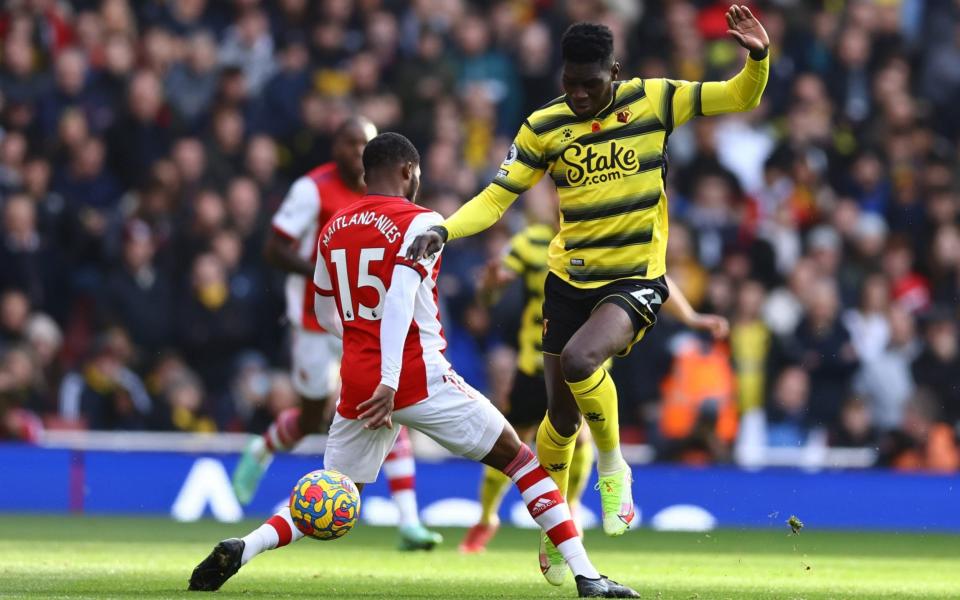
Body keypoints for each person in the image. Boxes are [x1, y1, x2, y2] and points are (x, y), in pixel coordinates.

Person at [189, 133, 639, 598]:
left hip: (359, 380)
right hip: (415, 374)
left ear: (366, 173)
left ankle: (245, 547)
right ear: (409, 172)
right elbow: (401, 296)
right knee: (521, 461)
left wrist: (364, 351)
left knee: (337, 492)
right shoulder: (422, 222)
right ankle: (588, 576)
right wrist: (390, 376)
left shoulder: (333, 228)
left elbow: (324, 311)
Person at [407, 3, 765, 563]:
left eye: (589, 85)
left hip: (635, 279)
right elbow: (499, 197)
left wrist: (758, 59)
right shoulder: (544, 126)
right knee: (558, 419)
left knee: (580, 362)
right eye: (569, 84)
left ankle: (614, 468)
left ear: (614, 74)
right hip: (568, 280)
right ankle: (557, 526)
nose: (577, 95)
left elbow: (739, 95)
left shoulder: (655, 99)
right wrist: (446, 230)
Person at [231, 116, 442, 551]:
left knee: (388, 398)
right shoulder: (313, 189)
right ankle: (262, 448)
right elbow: (274, 249)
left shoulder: (387, 200)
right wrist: (326, 274)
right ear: (338, 149)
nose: (353, 151)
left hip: (371, 321)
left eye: (361, 144)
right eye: (347, 143)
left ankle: (408, 521)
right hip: (317, 317)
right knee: (312, 419)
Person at [459, 206, 596, 556]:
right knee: (510, 443)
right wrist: (490, 286)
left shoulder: (598, 242)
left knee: (579, 439)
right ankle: (487, 517)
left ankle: (573, 506)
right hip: (533, 363)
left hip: (580, 364)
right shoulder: (531, 240)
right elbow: (490, 294)